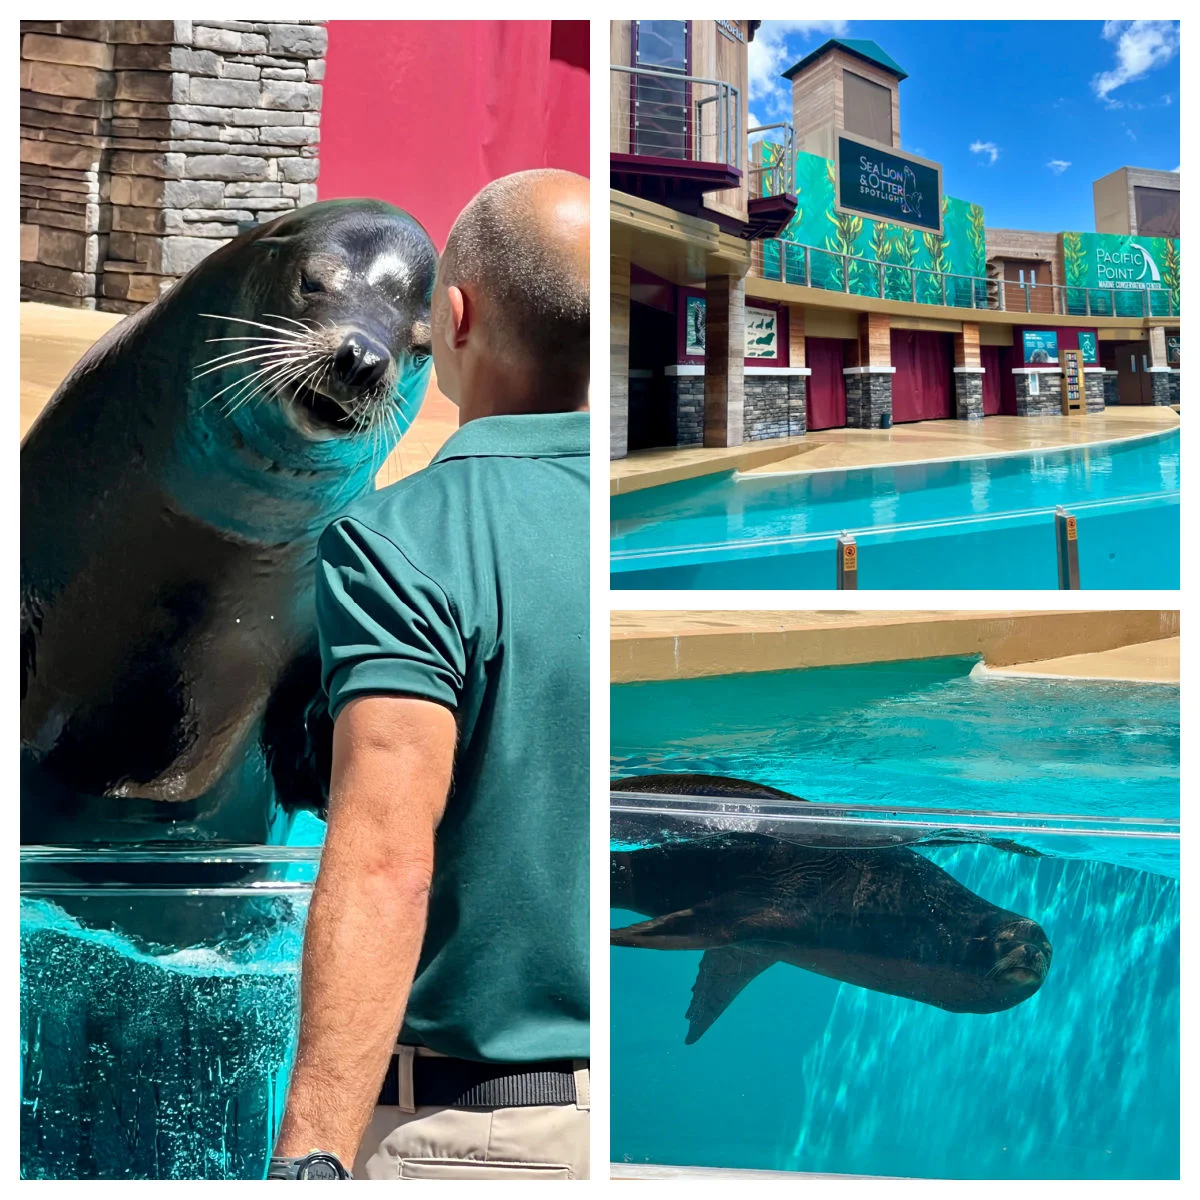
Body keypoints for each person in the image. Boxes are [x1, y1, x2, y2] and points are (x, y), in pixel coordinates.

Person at [268, 169, 590, 1181]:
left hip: (474, 1142)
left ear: (452, 318)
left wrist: (311, 1157)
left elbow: (383, 866)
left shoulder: (406, 542)